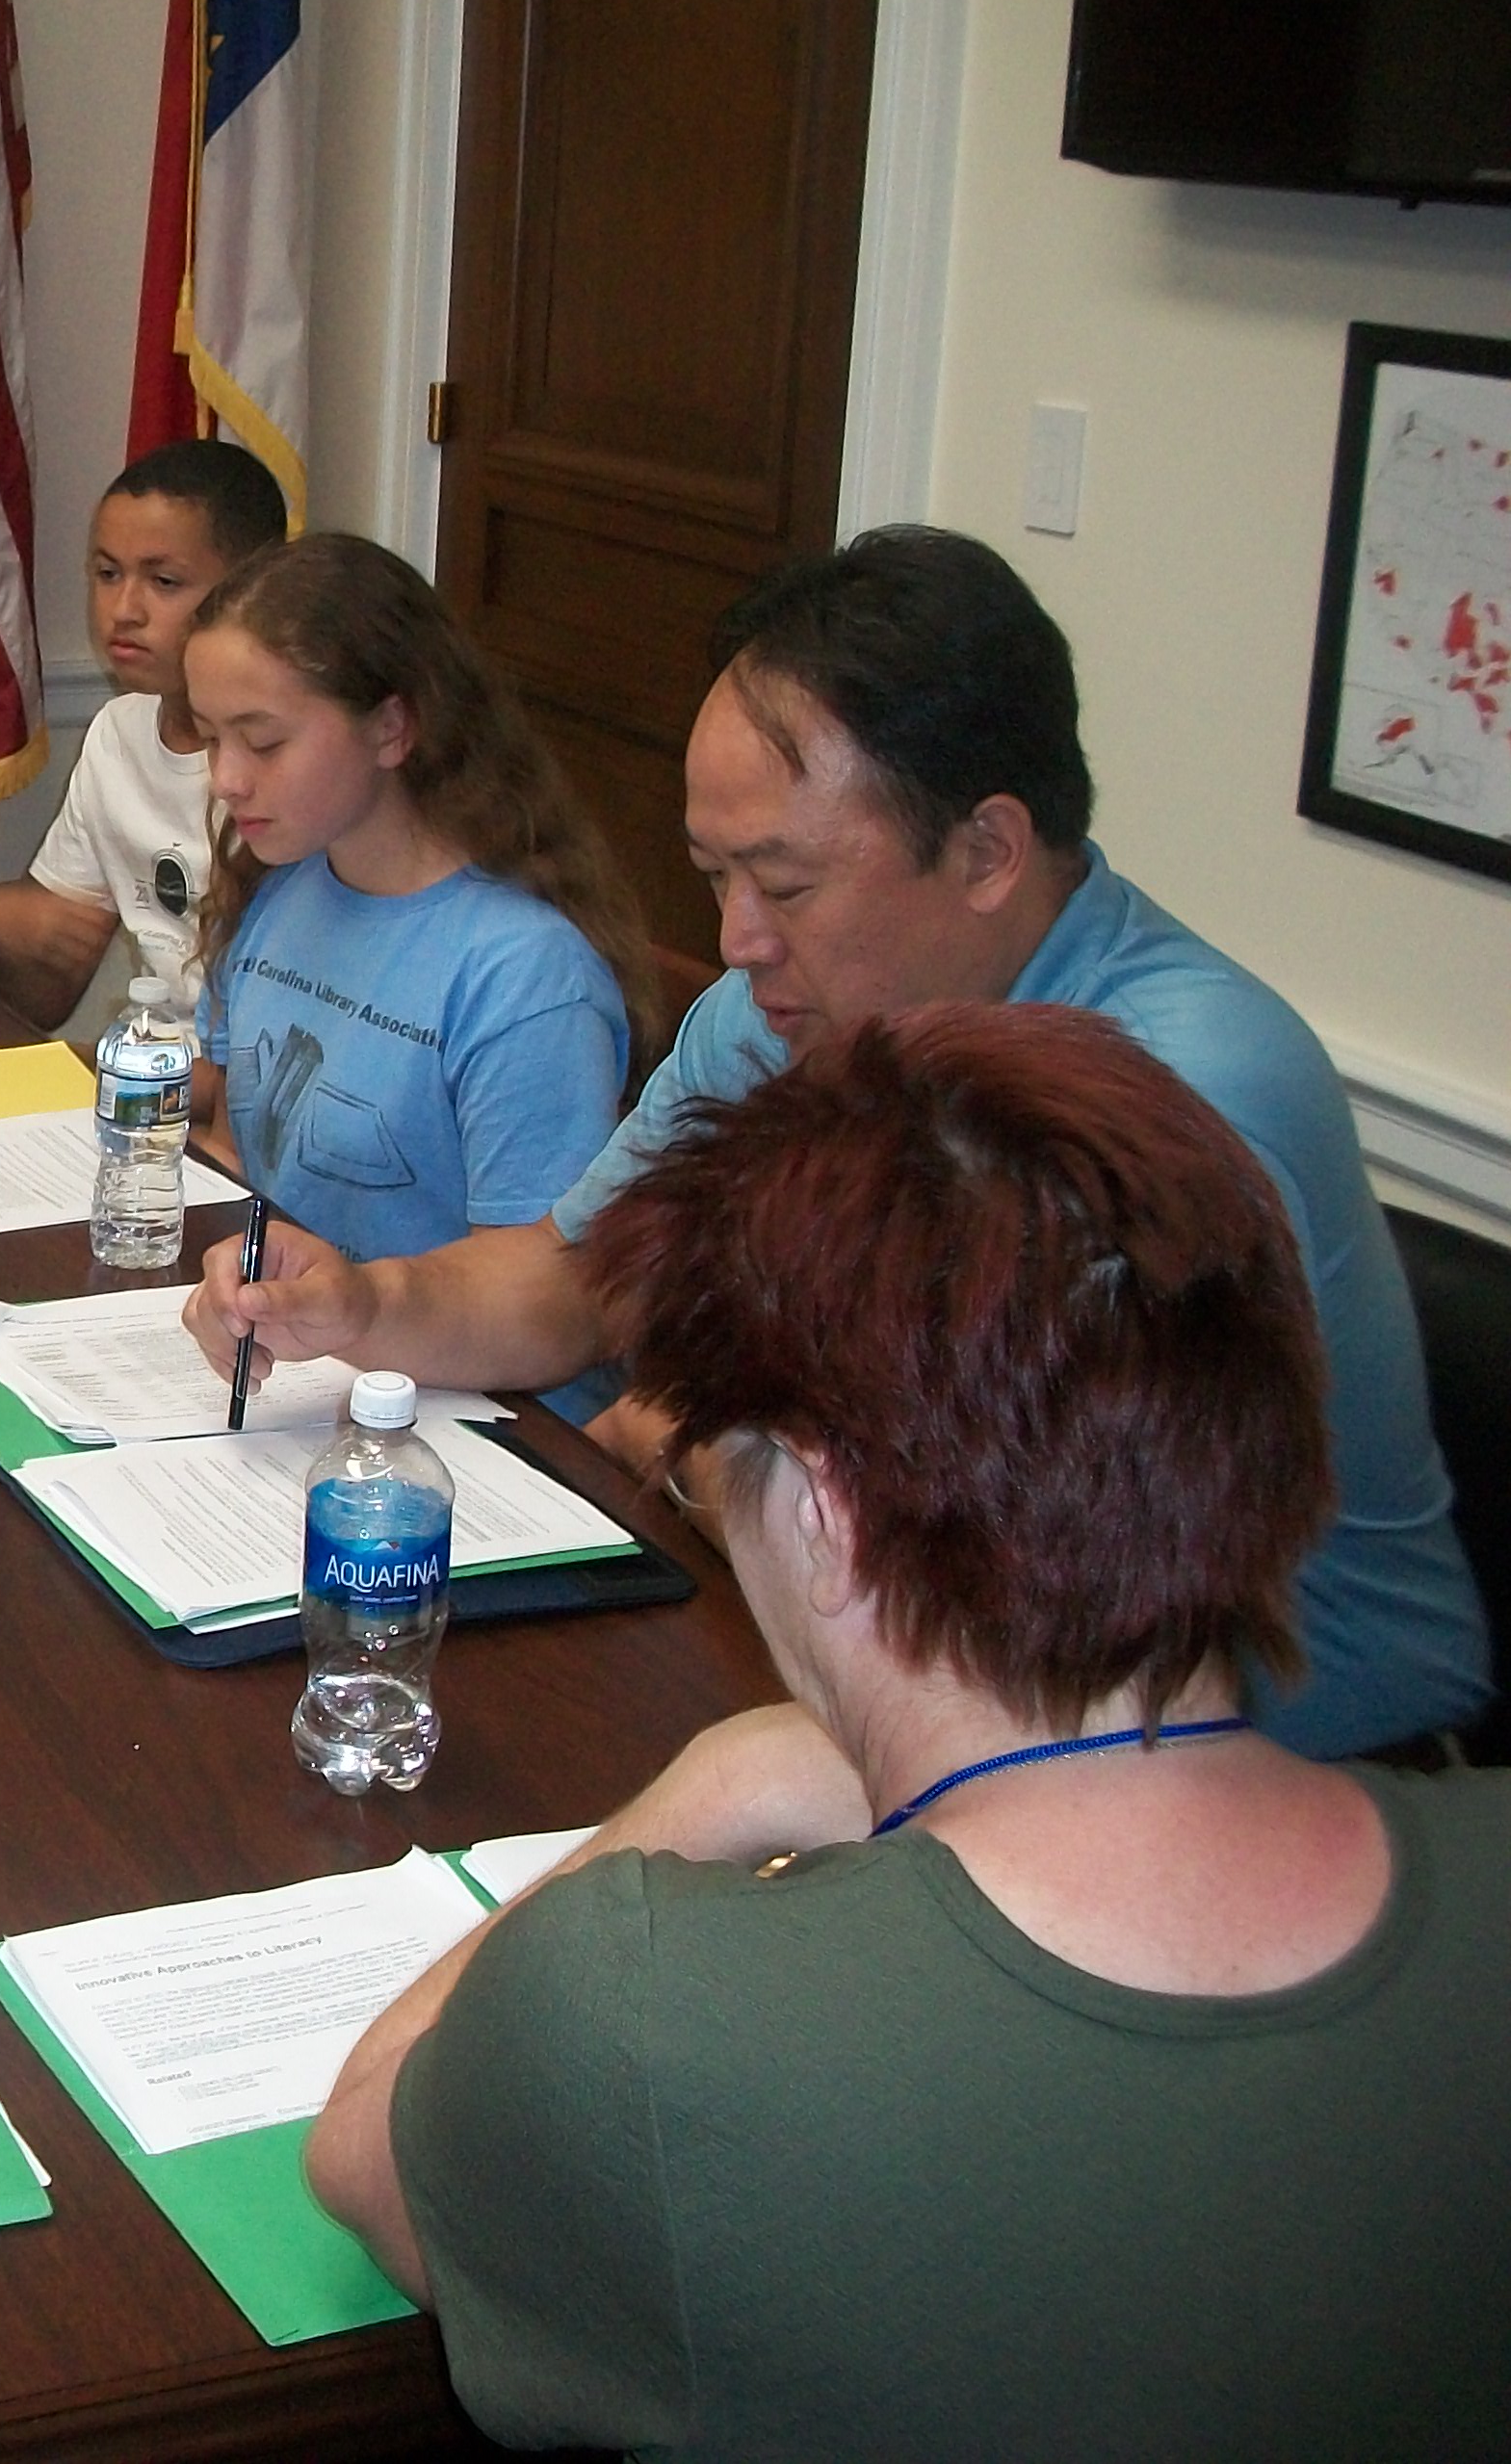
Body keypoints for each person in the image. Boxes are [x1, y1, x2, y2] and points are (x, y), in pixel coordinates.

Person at [303, 1002, 1511, 2457]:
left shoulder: (644, 2016)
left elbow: (365, 2156)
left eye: (707, 1468)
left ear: (826, 1516)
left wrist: (722, 1782)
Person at [189, 525, 1490, 1759]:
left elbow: (959, 1551)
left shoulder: (1176, 1095)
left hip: (1274, 1763)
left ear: (986, 850)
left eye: (786, 885)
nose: (739, 939)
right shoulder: (782, 1007)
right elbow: (574, 1279)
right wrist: (368, 1306)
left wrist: (704, 1443)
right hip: (948, 1688)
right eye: (716, 878)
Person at [184, 532, 651, 1329]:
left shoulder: (525, 976)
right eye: (210, 737)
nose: (227, 778)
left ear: (392, 728)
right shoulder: (275, 887)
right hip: (296, 1346)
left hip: (449, 1380)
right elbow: (239, 1156)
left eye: (263, 741)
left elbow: (544, 1303)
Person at [0, 438, 286, 1029]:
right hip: (152, 1063)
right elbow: (45, 1003)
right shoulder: (117, 733)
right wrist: (7, 934)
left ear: (253, 587)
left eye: (164, 581)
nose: (124, 610)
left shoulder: (296, 756)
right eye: (108, 574)